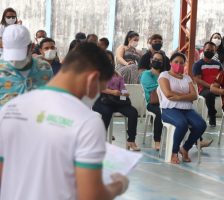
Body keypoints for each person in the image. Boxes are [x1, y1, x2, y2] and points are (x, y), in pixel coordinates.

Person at [0, 42, 129, 199]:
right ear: (92, 78)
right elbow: (90, 196)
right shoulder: (87, 121)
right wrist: (118, 185)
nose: (97, 93)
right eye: (99, 88)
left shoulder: (11, 108)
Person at [158, 52, 207, 164]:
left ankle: (185, 148)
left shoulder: (187, 77)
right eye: (176, 62)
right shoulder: (164, 75)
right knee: (182, 124)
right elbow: (168, 94)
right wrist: (186, 96)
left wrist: (178, 95)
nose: (179, 65)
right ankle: (174, 152)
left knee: (201, 125)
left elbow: (194, 95)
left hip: (187, 110)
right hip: (169, 109)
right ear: (170, 62)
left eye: (181, 63)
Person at [93, 51, 140, 151]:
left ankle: (131, 140)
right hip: (102, 99)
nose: (108, 62)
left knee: (133, 112)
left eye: (110, 60)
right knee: (107, 112)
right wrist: (112, 92)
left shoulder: (117, 74)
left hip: (117, 100)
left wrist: (124, 93)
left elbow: (122, 88)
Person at [0, 24, 53, 108]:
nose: (15, 60)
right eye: (11, 56)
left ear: (31, 47)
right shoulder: (1, 69)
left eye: (18, 55)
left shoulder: (45, 69)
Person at [193, 41, 222, 126]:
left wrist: (217, 86)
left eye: (212, 50)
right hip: (204, 90)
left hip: (217, 88)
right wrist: (211, 86)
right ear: (203, 50)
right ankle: (212, 115)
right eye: (208, 49)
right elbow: (198, 80)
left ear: (215, 52)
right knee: (210, 94)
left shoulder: (218, 64)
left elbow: (222, 77)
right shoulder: (198, 64)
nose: (210, 51)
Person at [140, 51, 165, 150]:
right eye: (155, 59)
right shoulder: (146, 74)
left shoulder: (165, 74)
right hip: (152, 102)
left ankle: (199, 140)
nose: (157, 61)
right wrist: (165, 86)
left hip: (167, 101)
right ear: (151, 60)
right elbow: (151, 88)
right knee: (160, 112)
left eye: (160, 60)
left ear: (163, 63)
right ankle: (157, 141)